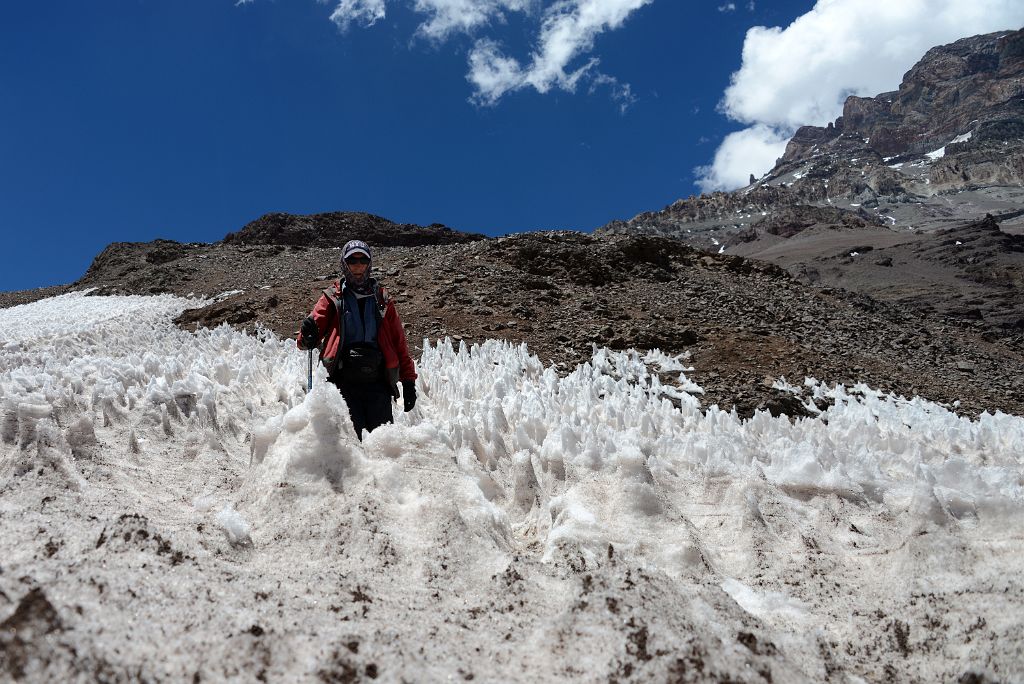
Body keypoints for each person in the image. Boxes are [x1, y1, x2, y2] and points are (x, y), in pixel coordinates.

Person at [296, 240, 417, 439]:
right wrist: (308, 336)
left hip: (378, 383)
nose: (358, 265)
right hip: (343, 382)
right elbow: (306, 339)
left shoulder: (382, 299)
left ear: (369, 263)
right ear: (344, 264)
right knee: (350, 442)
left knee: (381, 443)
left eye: (363, 260)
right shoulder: (333, 297)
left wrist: (408, 381)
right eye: (352, 260)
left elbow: (398, 342)